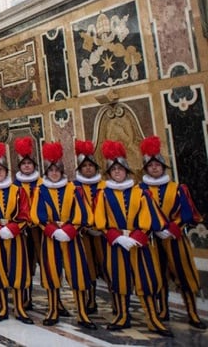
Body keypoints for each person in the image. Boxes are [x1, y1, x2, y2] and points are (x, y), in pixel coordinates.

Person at [95, 140, 173, 336]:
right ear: (109, 174)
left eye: (120, 169)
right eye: (114, 171)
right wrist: (117, 237)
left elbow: (150, 218)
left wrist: (137, 236)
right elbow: (100, 221)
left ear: (126, 171)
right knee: (119, 281)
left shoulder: (141, 193)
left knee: (146, 280)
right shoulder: (104, 195)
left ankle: (152, 318)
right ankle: (121, 315)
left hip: (139, 244)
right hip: (116, 244)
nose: (117, 173)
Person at [139, 136, 206, 329]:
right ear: (146, 169)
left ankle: (192, 312)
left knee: (184, 274)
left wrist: (172, 228)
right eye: (150, 166)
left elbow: (187, 213)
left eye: (157, 165)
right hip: (154, 239)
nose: (154, 168)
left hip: (176, 238)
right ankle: (163, 310)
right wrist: (156, 229)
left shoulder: (177, 188)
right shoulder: (142, 190)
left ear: (163, 167)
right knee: (157, 275)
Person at [30, 141, 95, 328]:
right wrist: (52, 230)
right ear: (46, 172)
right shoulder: (41, 190)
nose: (54, 173)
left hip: (72, 238)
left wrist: (70, 230)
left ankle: (82, 312)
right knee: (51, 274)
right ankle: (53, 309)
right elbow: (38, 215)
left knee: (77, 274)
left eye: (57, 170)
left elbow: (82, 213)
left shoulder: (73, 189)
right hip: (50, 239)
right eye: (51, 170)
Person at [0, 141, 33, 324]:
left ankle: (19, 308)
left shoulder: (17, 190)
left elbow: (25, 214)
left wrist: (12, 229)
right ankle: (2, 307)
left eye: (2, 170)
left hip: (15, 236)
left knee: (17, 270)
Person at [73, 139, 106, 316]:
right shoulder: (75, 187)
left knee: (109, 267)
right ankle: (90, 299)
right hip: (83, 234)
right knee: (88, 266)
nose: (88, 168)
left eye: (90, 165)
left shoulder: (105, 187)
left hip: (105, 234)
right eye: (84, 166)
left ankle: (118, 303)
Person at [12, 136, 41, 310]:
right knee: (25, 264)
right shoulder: (14, 186)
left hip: (41, 231)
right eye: (23, 164)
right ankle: (26, 296)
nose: (27, 166)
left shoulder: (42, 184)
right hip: (22, 231)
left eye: (29, 164)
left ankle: (56, 300)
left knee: (48, 265)